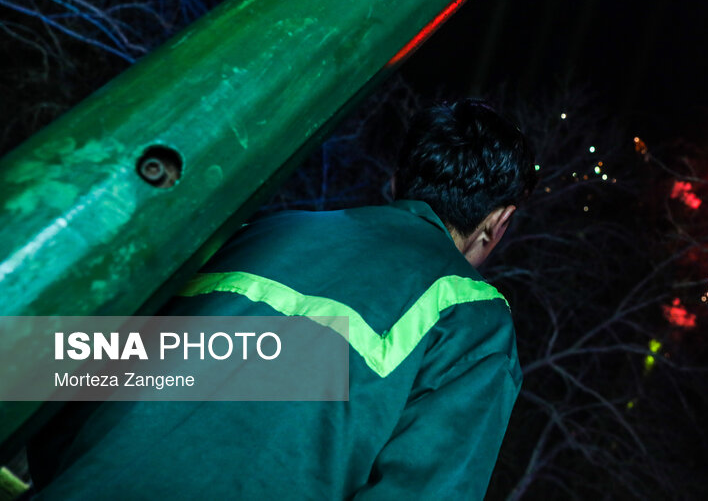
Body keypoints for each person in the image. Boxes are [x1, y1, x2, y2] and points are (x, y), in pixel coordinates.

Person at [29, 99, 536, 500]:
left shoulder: (261, 231)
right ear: (497, 222)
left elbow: (75, 390)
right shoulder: (474, 319)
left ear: (399, 182)